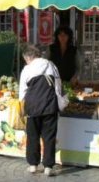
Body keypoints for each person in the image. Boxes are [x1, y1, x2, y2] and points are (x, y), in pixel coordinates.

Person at [19, 44, 63, 177]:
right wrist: (61, 104)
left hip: (32, 107)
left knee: (33, 136)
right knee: (49, 137)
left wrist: (22, 108)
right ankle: (48, 167)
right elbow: (58, 87)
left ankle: (33, 165)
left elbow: (22, 91)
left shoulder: (27, 69)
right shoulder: (51, 65)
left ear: (28, 57)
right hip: (49, 106)